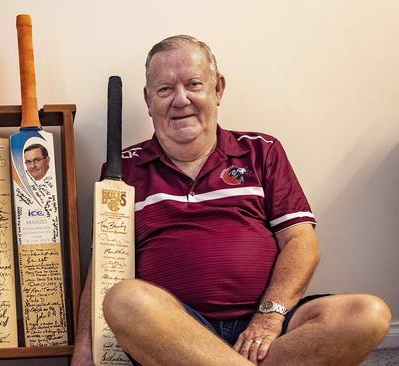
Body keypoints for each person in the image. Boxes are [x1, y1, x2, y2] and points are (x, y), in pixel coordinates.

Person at [71, 35, 391, 366]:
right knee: (124, 300)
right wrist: (84, 351)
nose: (181, 100)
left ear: (218, 89)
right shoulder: (123, 170)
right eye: (165, 89)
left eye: (193, 84)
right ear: (148, 99)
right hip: (176, 335)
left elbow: (301, 241)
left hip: (269, 327)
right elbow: (104, 267)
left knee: (368, 314)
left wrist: (268, 318)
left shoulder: (261, 150)